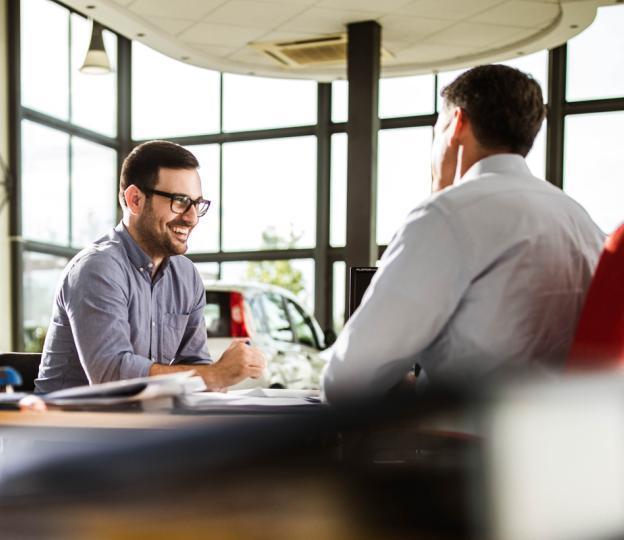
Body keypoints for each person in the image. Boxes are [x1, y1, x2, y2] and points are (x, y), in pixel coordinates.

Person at [322, 64, 605, 405]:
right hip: (560, 443)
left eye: (437, 130)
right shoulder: (579, 219)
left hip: (464, 448)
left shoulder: (448, 215)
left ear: (458, 123)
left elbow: (348, 380)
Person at [35, 141, 265, 393]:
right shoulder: (97, 268)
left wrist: (218, 376)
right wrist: (217, 374)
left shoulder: (186, 276)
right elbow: (111, 376)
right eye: (179, 201)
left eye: (197, 204)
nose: (191, 218)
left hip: (142, 422)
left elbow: (196, 367)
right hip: (69, 425)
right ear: (135, 200)